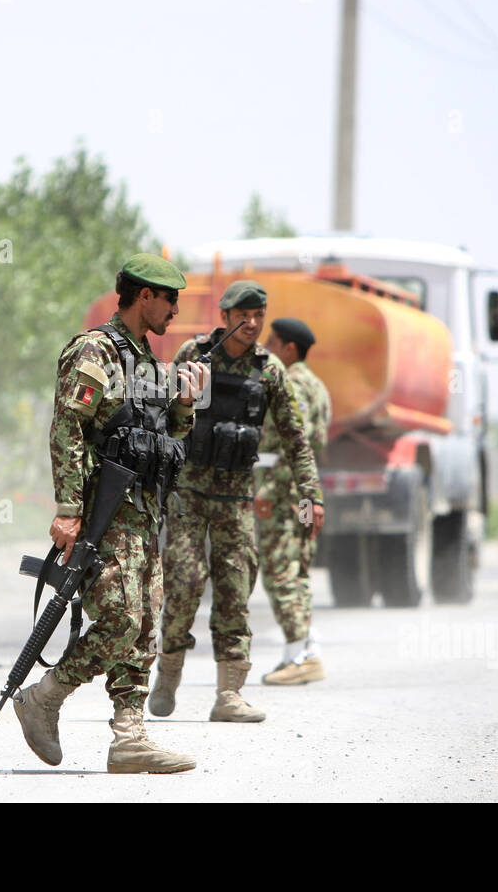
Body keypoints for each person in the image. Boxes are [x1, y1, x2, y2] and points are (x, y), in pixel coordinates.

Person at [14, 253, 210, 774]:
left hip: (146, 514)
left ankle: (129, 737)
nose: (175, 312)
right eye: (170, 300)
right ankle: (42, 699)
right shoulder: (95, 351)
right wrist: (68, 509)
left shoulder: (149, 364)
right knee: (120, 620)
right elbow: (67, 428)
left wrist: (186, 403)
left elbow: (168, 441)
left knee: (146, 624)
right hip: (106, 513)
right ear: (144, 296)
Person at [152, 282, 324, 722]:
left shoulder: (269, 371)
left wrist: (312, 495)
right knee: (186, 583)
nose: (252, 324)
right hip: (189, 493)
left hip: (235, 497)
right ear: (225, 316)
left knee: (235, 590)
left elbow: (295, 438)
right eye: (244, 315)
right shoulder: (195, 354)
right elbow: (162, 416)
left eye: (260, 315)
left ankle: (229, 694)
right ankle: (168, 672)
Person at [255, 317, 332, 685]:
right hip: (303, 491)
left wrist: (267, 490)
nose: (267, 346)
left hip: (284, 491)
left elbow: (291, 443)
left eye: (273, 341)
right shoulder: (318, 386)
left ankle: (300, 654)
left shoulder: (294, 385)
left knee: (280, 571)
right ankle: (302, 650)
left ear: (289, 348)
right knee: (297, 571)